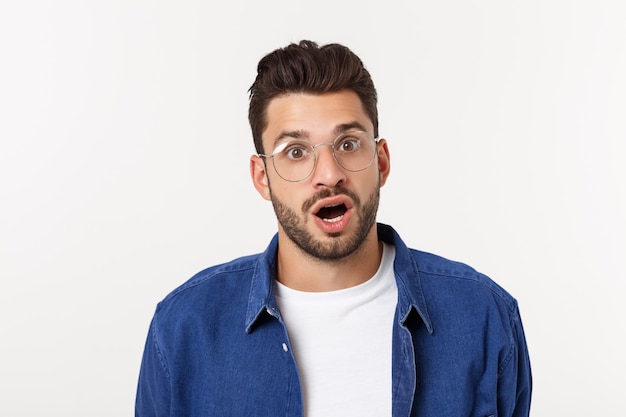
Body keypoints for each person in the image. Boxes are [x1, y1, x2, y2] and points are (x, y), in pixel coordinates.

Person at [135, 40, 532, 417]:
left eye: (348, 144)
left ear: (381, 161)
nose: (328, 175)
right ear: (262, 178)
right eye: (295, 152)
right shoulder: (184, 328)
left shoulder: (484, 316)